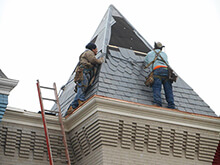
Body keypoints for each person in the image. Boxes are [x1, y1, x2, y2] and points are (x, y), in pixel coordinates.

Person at [66, 43, 104, 116]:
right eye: (96, 49)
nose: (97, 51)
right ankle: (77, 102)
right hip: (84, 72)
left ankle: (73, 106)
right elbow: (93, 60)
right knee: (83, 86)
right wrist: (100, 61)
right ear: (93, 49)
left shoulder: (85, 53)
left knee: (83, 87)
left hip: (84, 72)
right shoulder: (89, 52)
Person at [145, 42, 175, 109]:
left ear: (154, 47)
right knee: (168, 89)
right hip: (166, 70)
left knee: (156, 87)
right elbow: (167, 63)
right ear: (161, 48)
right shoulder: (164, 54)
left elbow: (146, 63)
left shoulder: (150, 54)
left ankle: (158, 103)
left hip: (157, 69)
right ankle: (171, 105)